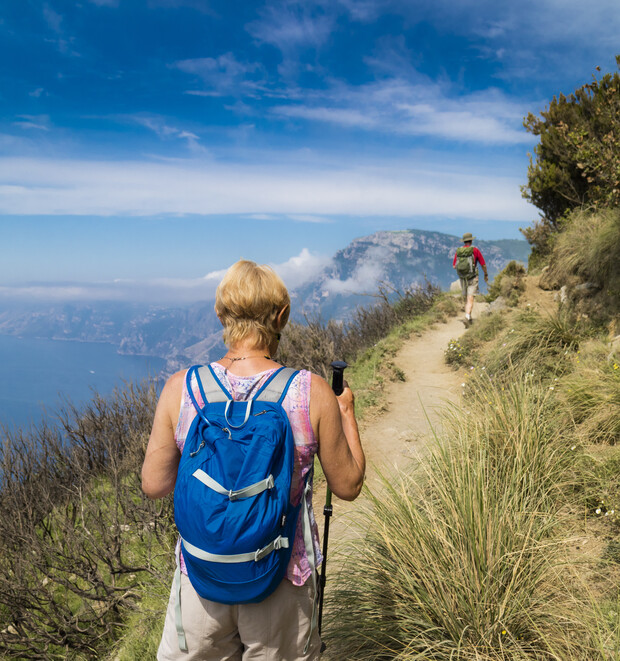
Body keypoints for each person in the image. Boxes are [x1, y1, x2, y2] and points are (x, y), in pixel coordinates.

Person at [142, 259, 365, 661]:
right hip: (282, 577)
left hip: (202, 577)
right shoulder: (309, 392)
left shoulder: (181, 388)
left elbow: (154, 485)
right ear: (283, 315)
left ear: (220, 313)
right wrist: (346, 414)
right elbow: (348, 485)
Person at [452, 232, 488, 327]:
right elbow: (483, 264)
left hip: (462, 278)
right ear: (471, 240)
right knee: (470, 297)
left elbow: (454, 266)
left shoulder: (459, 251)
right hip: (472, 277)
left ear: (464, 241)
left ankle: (468, 316)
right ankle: (467, 317)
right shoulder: (475, 250)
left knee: (466, 297)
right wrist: (485, 274)